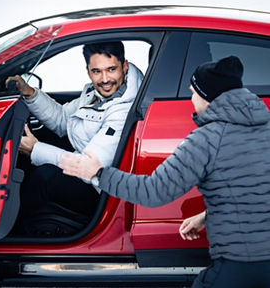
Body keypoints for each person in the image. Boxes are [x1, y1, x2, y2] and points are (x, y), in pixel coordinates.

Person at [60, 55, 270, 287]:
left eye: (193, 92)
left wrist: (98, 173)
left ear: (207, 97)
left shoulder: (206, 139)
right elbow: (253, 188)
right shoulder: (266, 126)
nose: (191, 99)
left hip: (240, 265)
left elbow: (153, 192)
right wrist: (207, 216)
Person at [7, 41, 144, 235]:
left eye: (111, 69)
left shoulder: (124, 108)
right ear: (88, 71)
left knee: (43, 178)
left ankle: (14, 236)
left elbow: (90, 166)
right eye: (97, 71)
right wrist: (30, 93)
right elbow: (64, 120)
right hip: (86, 174)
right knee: (27, 165)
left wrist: (35, 150)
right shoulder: (94, 93)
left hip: (101, 191)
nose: (105, 79)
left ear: (125, 66)